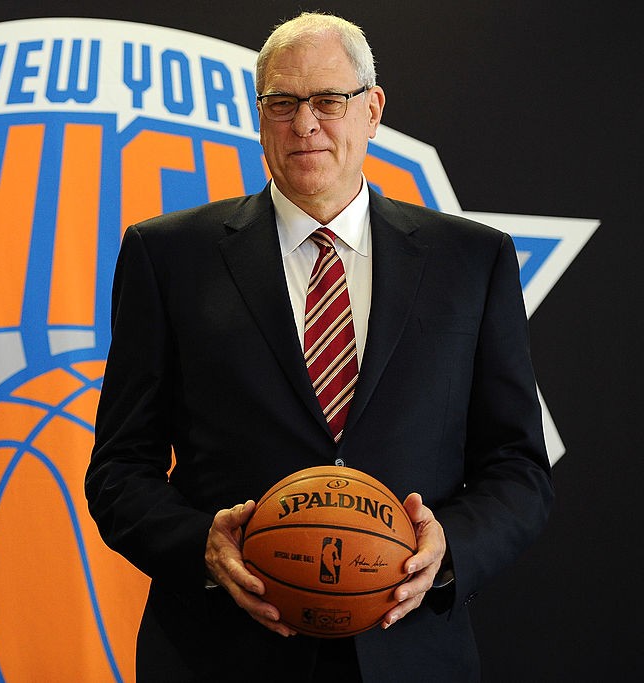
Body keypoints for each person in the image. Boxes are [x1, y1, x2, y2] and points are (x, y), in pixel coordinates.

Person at [85, 10, 552, 681]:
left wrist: (448, 549)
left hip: (411, 651)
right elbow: (119, 469)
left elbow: (518, 467)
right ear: (259, 116)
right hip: (220, 654)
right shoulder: (167, 257)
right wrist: (201, 548)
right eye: (282, 103)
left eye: (328, 100)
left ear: (372, 110)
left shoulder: (472, 262)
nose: (305, 124)